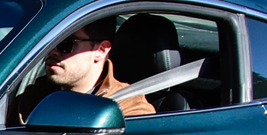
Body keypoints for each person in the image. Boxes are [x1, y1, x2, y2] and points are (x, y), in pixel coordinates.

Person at [9, 22, 157, 124]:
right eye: (48, 42)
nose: (51, 50)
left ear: (100, 50)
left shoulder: (129, 110)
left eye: (65, 43)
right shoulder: (33, 95)